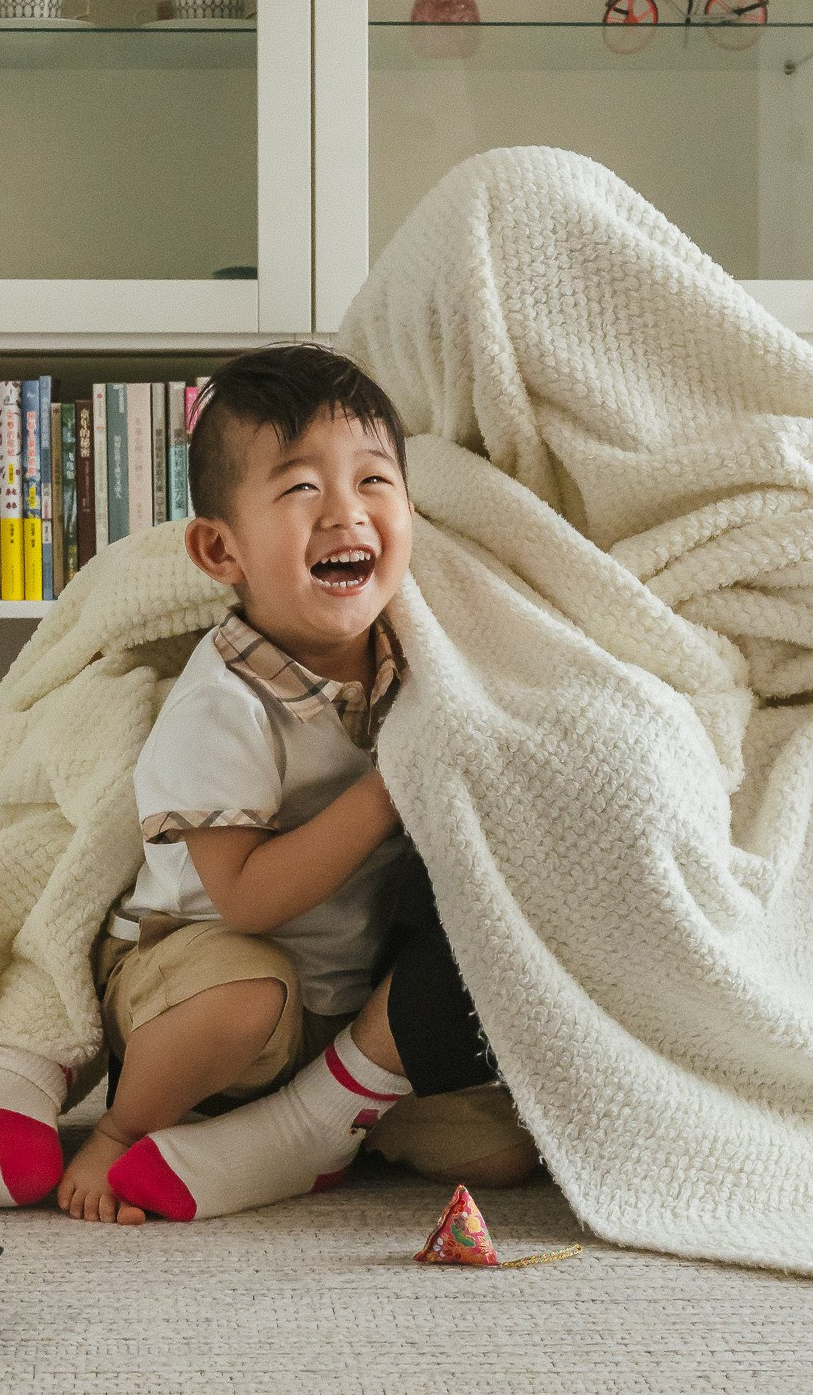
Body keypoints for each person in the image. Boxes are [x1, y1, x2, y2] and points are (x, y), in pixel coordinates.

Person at [65, 346, 535, 1223]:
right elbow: (244, 899)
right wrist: (389, 789)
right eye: (300, 490)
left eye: (373, 482)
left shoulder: (414, 656)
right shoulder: (223, 698)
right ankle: (124, 1133)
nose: (345, 514)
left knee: (504, 1156)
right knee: (245, 997)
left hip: (342, 1006)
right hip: (199, 977)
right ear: (220, 548)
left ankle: (346, 1110)